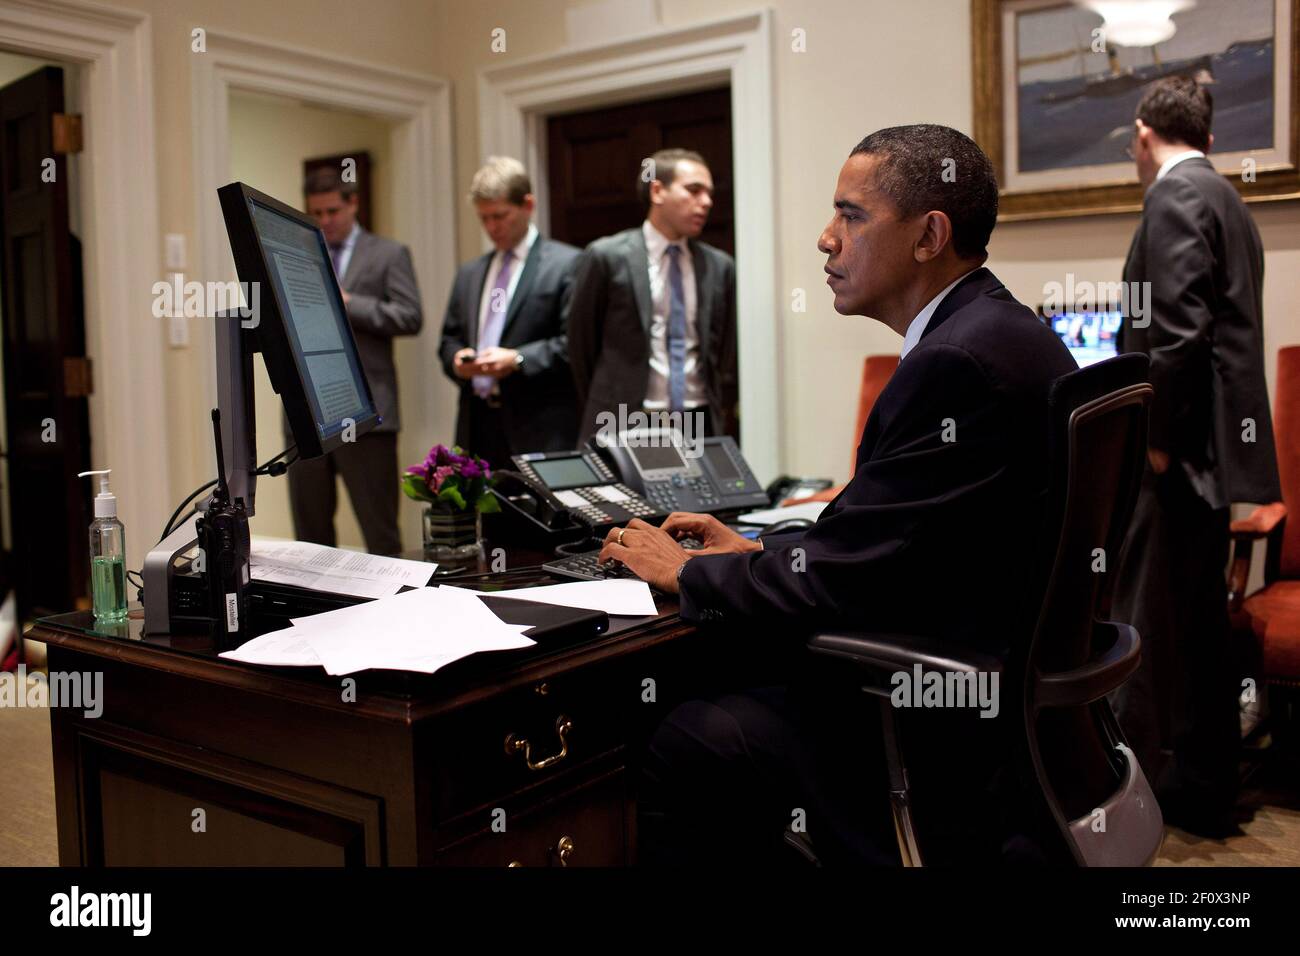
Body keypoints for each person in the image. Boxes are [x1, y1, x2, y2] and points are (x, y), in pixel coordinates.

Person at [600, 125, 1076, 865]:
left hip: (933, 731)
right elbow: (893, 543)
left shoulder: (953, 363)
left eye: (850, 215)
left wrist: (688, 570)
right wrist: (759, 549)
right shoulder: (1003, 332)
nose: (825, 239)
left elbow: (839, 583)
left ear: (929, 236)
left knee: (680, 732)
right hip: (997, 704)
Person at [1112, 76, 1281, 837]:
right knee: (1197, 623)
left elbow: (1176, 337)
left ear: (1145, 135)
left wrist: (1151, 438)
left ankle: (1148, 793)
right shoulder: (1226, 197)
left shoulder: (1174, 197)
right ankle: (1206, 786)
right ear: (1207, 138)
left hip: (1178, 451)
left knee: (1153, 621)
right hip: (1215, 452)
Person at [287, 167, 422, 556]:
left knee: (380, 532)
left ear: (353, 203)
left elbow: (410, 316)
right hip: (306, 410)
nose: (325, 221)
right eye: (317, 213)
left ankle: (395, 613)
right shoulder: (296, 254)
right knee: (310, 535)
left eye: (333, 211)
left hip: (367, 410)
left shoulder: (388, 253)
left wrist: (351, 304)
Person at [566, 148, 737, 441]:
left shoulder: (719, 266)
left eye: (709, 193)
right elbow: (581, 345)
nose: (706, 202)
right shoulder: (606, 256)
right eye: (694, 190)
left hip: (697, 420)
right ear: (657, 190)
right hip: (624, 419)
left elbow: (723, 353)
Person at [438, 157, 582, 467]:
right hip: (476, 427)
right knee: (485, 517)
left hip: (541, 428)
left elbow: (576, 346)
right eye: (484, 218)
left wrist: (517, 360)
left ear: (528, 205)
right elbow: (447, 340)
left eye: (500, 216)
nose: (492, 227)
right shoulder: (470, 273)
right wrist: (457, 361)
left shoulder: (567, 264)